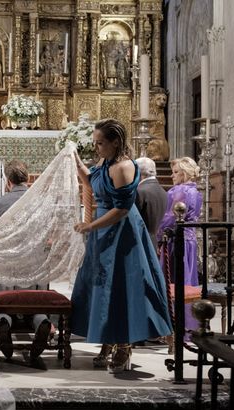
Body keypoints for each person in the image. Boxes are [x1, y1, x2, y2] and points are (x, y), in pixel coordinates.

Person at [71, 118, 172, 373]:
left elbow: (122, 209)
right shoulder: (104, 162)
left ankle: (124, 344)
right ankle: (107, 337)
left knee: (122, 288)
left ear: (116, 142)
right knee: (102, 286)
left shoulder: (124, 167)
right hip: (103, 231)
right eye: (95, 143)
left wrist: (90, 226)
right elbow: (90, 181)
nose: (97, 148)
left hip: (121, 232)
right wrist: (74, 159)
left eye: (101, 143)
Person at [0, 160, 52, 360]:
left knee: (5, 303)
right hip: (34, 264)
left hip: (7, 263)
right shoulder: (41, 201)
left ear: (8, 182)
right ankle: (41, 321)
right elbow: (47, 234)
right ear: (29, 179)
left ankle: (4, 321)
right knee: (35, 304)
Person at [157, 156, 202, 342]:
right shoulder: (196, 192)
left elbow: (169, 217)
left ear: (184, 173)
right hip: (190, 240)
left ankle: (171, 328)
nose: (172, 176)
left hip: (176, 241)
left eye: (176, 172)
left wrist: (159, 235)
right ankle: (187, 327)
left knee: (172, 283)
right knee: (187, 282)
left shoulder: (179, 190)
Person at [135, 156, 168, 251]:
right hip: (154, 242)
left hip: (140, 243)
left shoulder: (140, 191)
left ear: (138, 173)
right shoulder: (162, 191)